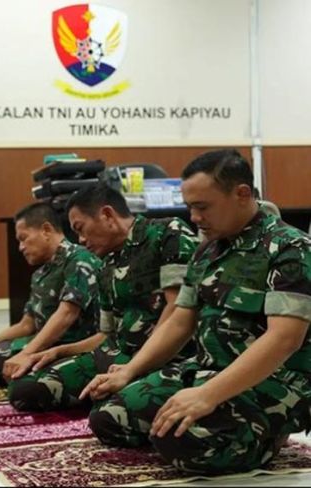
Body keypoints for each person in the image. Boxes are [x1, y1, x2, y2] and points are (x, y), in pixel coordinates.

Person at [83, 149, 311, 474]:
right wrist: (131, 370)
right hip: (205, 371)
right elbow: (180, 320)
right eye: (190, 207)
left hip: (272, 382)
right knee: (108, 418)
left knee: (184, 442)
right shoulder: (207, 250)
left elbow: (284, 339)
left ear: (241, 194)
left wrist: (207, 396)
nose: (194, 217)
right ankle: (231, 428)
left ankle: (270, 433)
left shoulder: (290, 248)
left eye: (202, 207)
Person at [8, 183, 198, 411]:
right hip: (117, 356)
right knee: (26, 389)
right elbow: (105, 336)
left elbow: (177, 309)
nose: (80, 239)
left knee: (109, 416)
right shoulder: (105, 264)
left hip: (161, 357)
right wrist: (58, 351)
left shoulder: (165, 234)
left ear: (107, 215)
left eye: (81, 228)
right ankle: (106, 394)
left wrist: (135, 366)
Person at [0, 202, 102, 386]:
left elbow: (66, 315)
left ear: (46, 230)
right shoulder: (40, 274)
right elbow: (26, 325)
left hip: (70, 347)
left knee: (24, 388)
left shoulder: (79, 260)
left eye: (24, 238)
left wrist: (26, 354)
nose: (21, 247)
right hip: (40, 343)